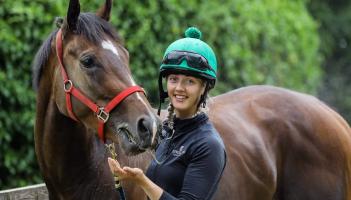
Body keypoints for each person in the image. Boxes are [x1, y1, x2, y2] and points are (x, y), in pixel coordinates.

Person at [108, 27, 226, 200]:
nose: (179, 88)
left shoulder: (209, 145)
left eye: (190, 81)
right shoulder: (166, 132)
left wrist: (141, 180)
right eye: (173, 79)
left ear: (204, 87)